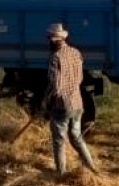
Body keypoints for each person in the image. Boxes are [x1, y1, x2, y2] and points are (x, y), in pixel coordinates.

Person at [42, 22, 99, 177]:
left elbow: (55, 84)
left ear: (54, 40)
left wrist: (46, 101)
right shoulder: (76, 52)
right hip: (77, 102)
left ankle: (60, 173)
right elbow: (79, 78)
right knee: (77, 137)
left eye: (49, 38)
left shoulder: (55, 57)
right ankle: (91, 167)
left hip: (62, 105)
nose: (48, 41)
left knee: (59, 141)